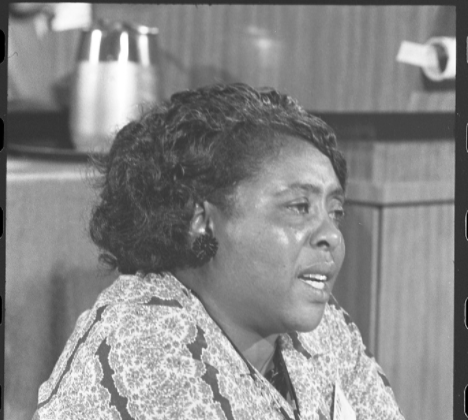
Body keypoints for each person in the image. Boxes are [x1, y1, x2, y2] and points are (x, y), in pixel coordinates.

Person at [33, 83, 404, 419]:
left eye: (335, 212)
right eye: (298, 207)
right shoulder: (146, 349)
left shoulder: (323, 329)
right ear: (202, 219)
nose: (332, 236)